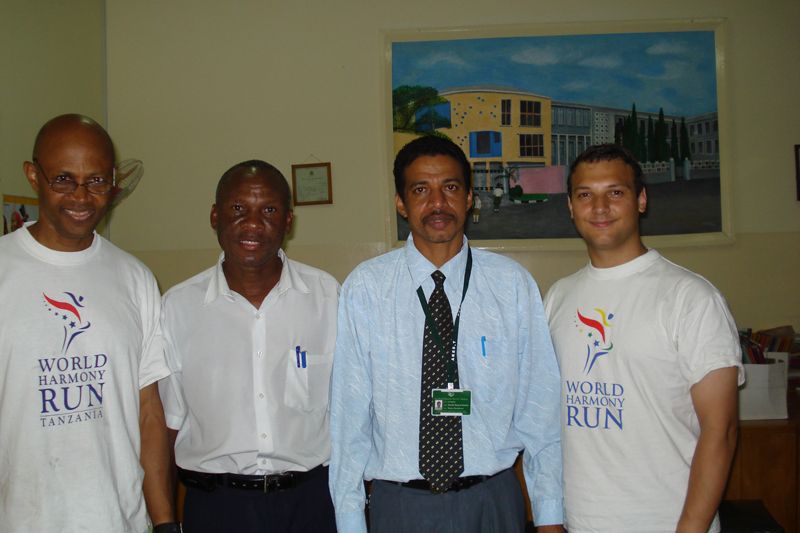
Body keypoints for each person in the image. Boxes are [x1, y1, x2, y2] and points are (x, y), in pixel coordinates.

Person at [329, 135, 564, 533]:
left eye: (450, 188)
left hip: (493, 502)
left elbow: (539, 411)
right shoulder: (366, 288)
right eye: (421, 190)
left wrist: (550, 516)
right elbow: (349, 418)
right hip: (400, 505)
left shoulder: (511, 286)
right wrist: (351, 521)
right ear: (401, 203)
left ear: (470, 197)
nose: (437, 203)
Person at [544, 144, 742, 532]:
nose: (600, 207)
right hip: (581, 522)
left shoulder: (691, 298)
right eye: (586, 195)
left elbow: (722, 431)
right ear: (570, 206)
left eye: (615, 192)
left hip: (668, 522)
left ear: (641, 200)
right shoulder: (558, 297)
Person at [0, 114, 176, 532]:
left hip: (119, 520)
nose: (81, 197)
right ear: (33, 176)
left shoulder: (135, 278)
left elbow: (148, 412)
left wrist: (165, 521)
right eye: (63, 179)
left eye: (97, 181)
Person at [158, 160, 339, 532]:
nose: (253, 224)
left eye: (268, 210)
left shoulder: (328, 297)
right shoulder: (177, 307)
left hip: (310, 503)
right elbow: (168, 428)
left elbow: (349, 411)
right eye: (238, 209)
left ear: (288, 221)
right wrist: (165, 521)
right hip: (216, 508)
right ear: (214, 216)